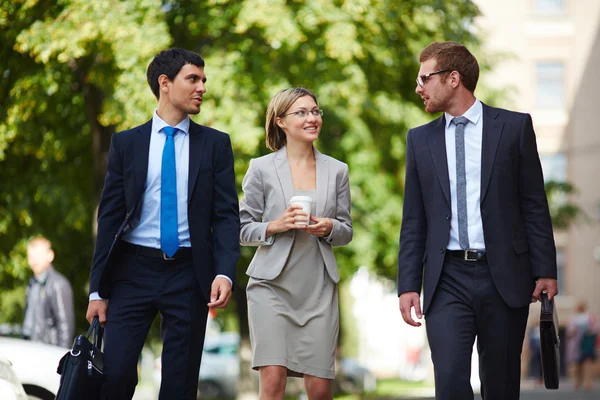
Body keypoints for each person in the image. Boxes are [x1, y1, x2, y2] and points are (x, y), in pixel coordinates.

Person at [397, 42, 558, 399]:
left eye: (425, 78)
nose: (418, 87)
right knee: (451, 383)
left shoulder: (514, 128)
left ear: (453, 79)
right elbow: (414, 219)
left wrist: (546, 269)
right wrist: (408, 283)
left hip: (504, 276)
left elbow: (534, 204)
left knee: (500, 386)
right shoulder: (419, 140)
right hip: (446, 278)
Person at [85, 48, 240, 400]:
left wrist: (224, 272)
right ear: (165, 83)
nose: (202, 87)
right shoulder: (126, 144)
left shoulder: (216, 145)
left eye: (204, 80)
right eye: (193, 79)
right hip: (131, 272)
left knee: (179, 385)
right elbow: (108, 219)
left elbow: (226, 215)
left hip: (189, 273)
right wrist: (97, 291)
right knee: (116, 377)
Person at [240, 87, 352, 400]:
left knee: (319, 389)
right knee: (273, 383)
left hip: (318, 289)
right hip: (271, 287)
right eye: (301, 112)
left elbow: (347, 230)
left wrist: (328, 226)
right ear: (280, 122)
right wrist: (275, 225)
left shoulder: (337, 170)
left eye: (315, 111)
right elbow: (241, 228)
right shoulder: (260, 168)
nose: (312, 118)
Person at [22, 236, 74, 348]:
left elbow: (65, 329)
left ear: (50, 255)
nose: (34, 260)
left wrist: (59, 360)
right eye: (31, 256)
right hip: (29, 351)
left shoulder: (58, 284)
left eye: (38, 256)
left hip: (48, 355)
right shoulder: (32, 284)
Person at [567, 300, 598, 391]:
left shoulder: (590, 317)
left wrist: (590, 331)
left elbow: (596, 328)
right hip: (576, 346)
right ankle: (577, 382)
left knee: (588, 365)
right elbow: (569, 332)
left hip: (587, 344)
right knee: (577, 365)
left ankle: (588, 383)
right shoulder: (573, 318)